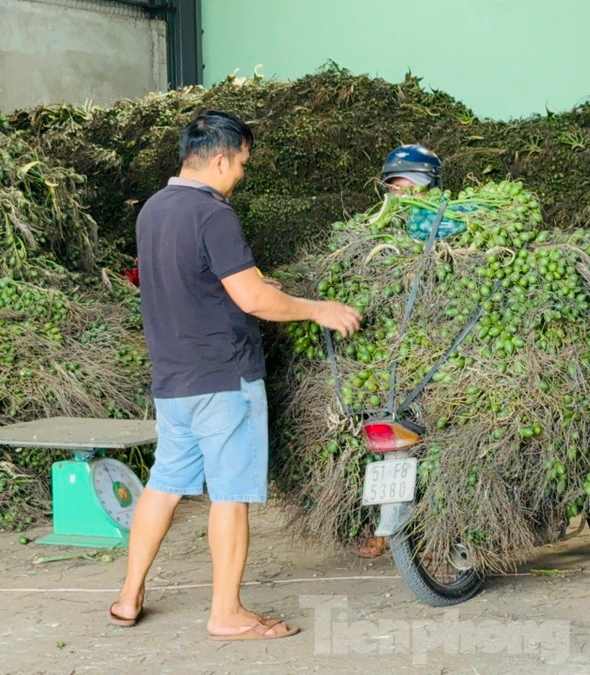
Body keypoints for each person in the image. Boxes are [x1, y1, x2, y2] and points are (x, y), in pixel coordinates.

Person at [108, 110, 362, 641]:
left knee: (164, 484)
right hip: (223, 378)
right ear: (221, 160)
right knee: (230, 494)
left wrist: (255, 286)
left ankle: (128, 596)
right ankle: (226, 612)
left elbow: (194, 282)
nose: (242, 174)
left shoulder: (154, 209)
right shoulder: (213, 214)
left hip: (173, 378)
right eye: (242, 163)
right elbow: (252, 300)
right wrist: (318, 309)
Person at [350, 144, 441, 560]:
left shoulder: (447, 224)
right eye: (395, 186)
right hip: (388, 354)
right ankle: (380, 525)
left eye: (412, 186)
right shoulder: (373, 234)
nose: (402, 194)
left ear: (432, 187)